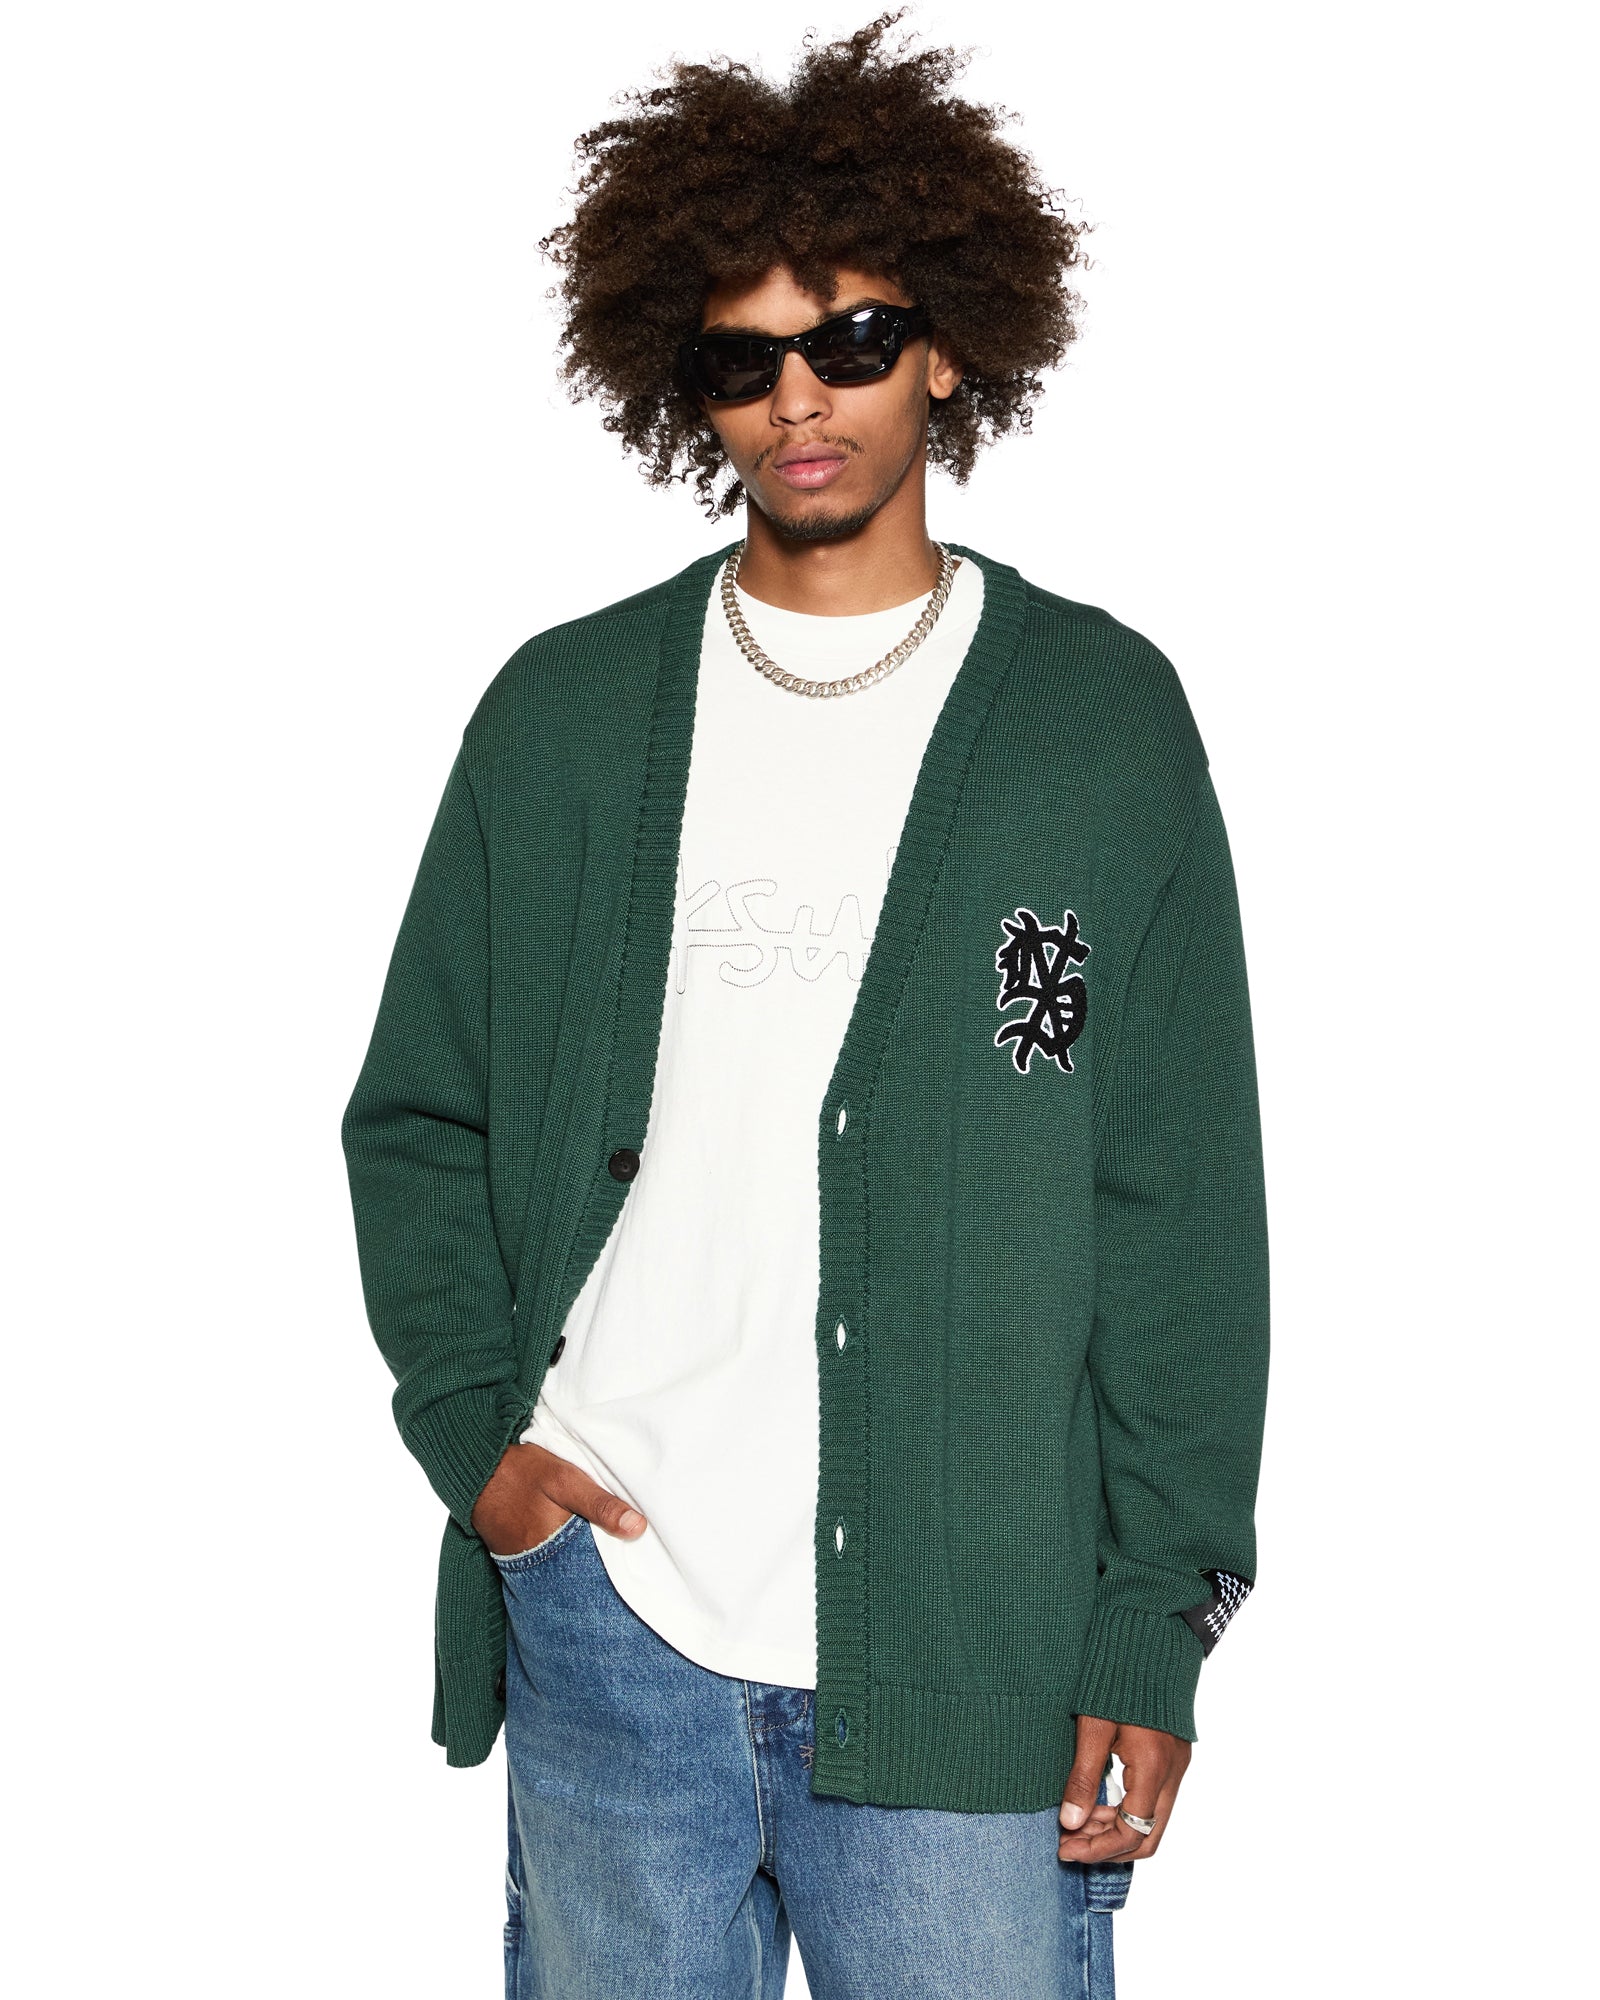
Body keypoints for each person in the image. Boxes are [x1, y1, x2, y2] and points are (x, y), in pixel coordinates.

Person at [341, 13, 1270, 1997]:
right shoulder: (565, 716)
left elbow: (1177, 1205)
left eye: (850, 338)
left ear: (947, 347)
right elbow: (419, 1116)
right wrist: (480, 1449)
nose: (798, 398)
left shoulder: (1096, 727)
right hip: (611, 1628)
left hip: (976, 1642)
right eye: (740, 360)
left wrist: (1154, 1617)